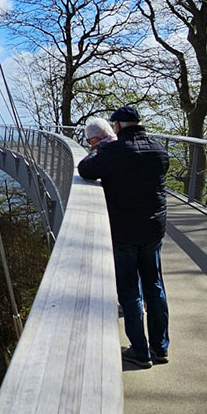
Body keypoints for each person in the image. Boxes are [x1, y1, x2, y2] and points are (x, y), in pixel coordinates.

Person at [77, 106, 170, 369]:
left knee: (130, 292)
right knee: (155, 287)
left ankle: (140, 351)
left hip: (125, 230)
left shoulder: (113, 152)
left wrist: (99, 151)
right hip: (154, 229)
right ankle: (160, 347)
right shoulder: (158, 148)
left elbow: (85, 169)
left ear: (116, 126)